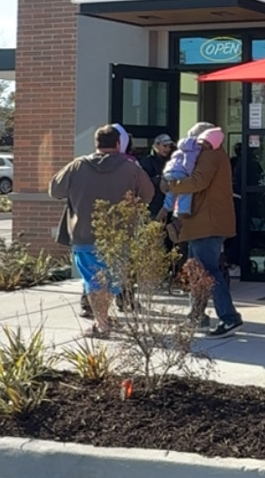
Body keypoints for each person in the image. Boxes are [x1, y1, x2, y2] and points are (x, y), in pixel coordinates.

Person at [49, 124, 154, 335]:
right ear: (118, 144)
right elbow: (148, 194)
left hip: (84, 233)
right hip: (119, 236)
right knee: (111, 280)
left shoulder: (77, 166)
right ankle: (104, 321)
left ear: (96, 144)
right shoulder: (132, 169)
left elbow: (55, 190)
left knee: (94, 281)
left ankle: (103, 324)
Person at [163, 120, 243, 334]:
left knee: (207, 271)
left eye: (193, 140)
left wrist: (171, 185)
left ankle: (229, 317)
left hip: (206, 222)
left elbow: (198, 181)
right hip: (204, 222)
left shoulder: (209, 154)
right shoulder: (216, 154)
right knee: (197, 271)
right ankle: (196, 316)